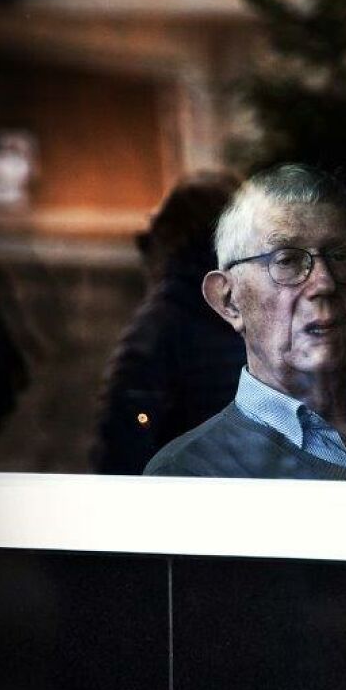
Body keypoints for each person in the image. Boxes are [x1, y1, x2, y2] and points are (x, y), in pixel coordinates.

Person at [144, 164, 346, 479]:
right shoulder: (188, 474)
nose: (325, 282)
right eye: (287, 260)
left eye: (341, 257)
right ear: (229, 301)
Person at [91, 171, 246, 475]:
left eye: (149, 239)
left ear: (170, 237)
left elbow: (122, 448)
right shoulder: (267, 315)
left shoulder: (161, 328)